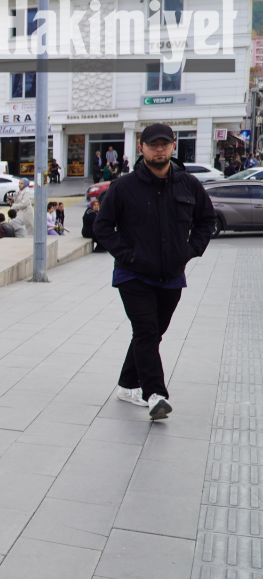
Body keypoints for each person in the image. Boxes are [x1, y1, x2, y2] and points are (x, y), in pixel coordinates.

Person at [93, 123, 216, 421]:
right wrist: (128, 255)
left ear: (173, 146)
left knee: (151, 333)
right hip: (133, 274)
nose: (159, 149)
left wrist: (189, 251)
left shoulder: (189, 184)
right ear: (141, 148)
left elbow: (206, 220)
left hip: (172, 275)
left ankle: (127, 384)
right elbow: (102, 227)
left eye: (164, 144)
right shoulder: (124, 186)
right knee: (147, 330)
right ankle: (156, 395)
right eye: (152, 144)